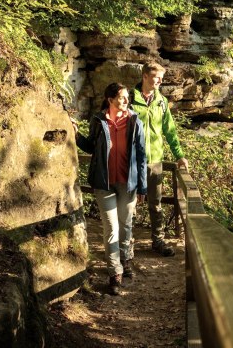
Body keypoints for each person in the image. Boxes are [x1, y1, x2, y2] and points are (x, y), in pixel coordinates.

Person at [73, 83, 147, 295]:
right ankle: (115, 273)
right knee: (111, 228)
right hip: (104, 183)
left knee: (126, 226)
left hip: (128, 183)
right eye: (122, 98)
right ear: (110, 99)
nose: (126, 101)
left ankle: (126, 261)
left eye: (127, 98)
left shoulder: (134, 121)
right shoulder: (98, 120)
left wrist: (142, 186)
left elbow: (142, 156)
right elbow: (91, 147)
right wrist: (76, 136)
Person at [130, 62, 188, 257]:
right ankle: (127, 244)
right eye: (157, 77)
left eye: (161, 78)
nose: (160, 81)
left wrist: (179, 155)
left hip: (155, 162)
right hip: (131, 162)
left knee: (155, 203)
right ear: (145, 76)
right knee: (130, 203)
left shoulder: (161, 101)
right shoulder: (129, 99)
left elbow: (169, 130)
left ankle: (158, 240)